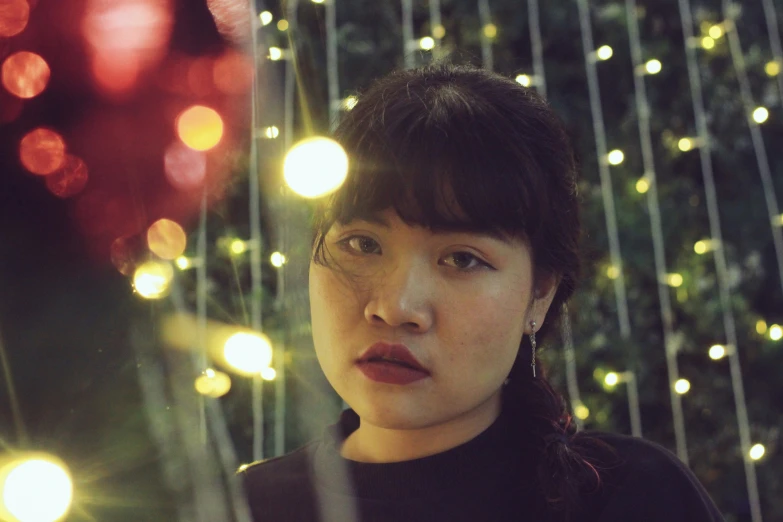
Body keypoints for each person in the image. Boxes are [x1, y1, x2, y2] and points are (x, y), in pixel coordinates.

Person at [241, 63, 725, 522]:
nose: (396, 307)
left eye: (462, 259)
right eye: (362, 244)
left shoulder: (628, 498)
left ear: (540, 294)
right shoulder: (238, 507)